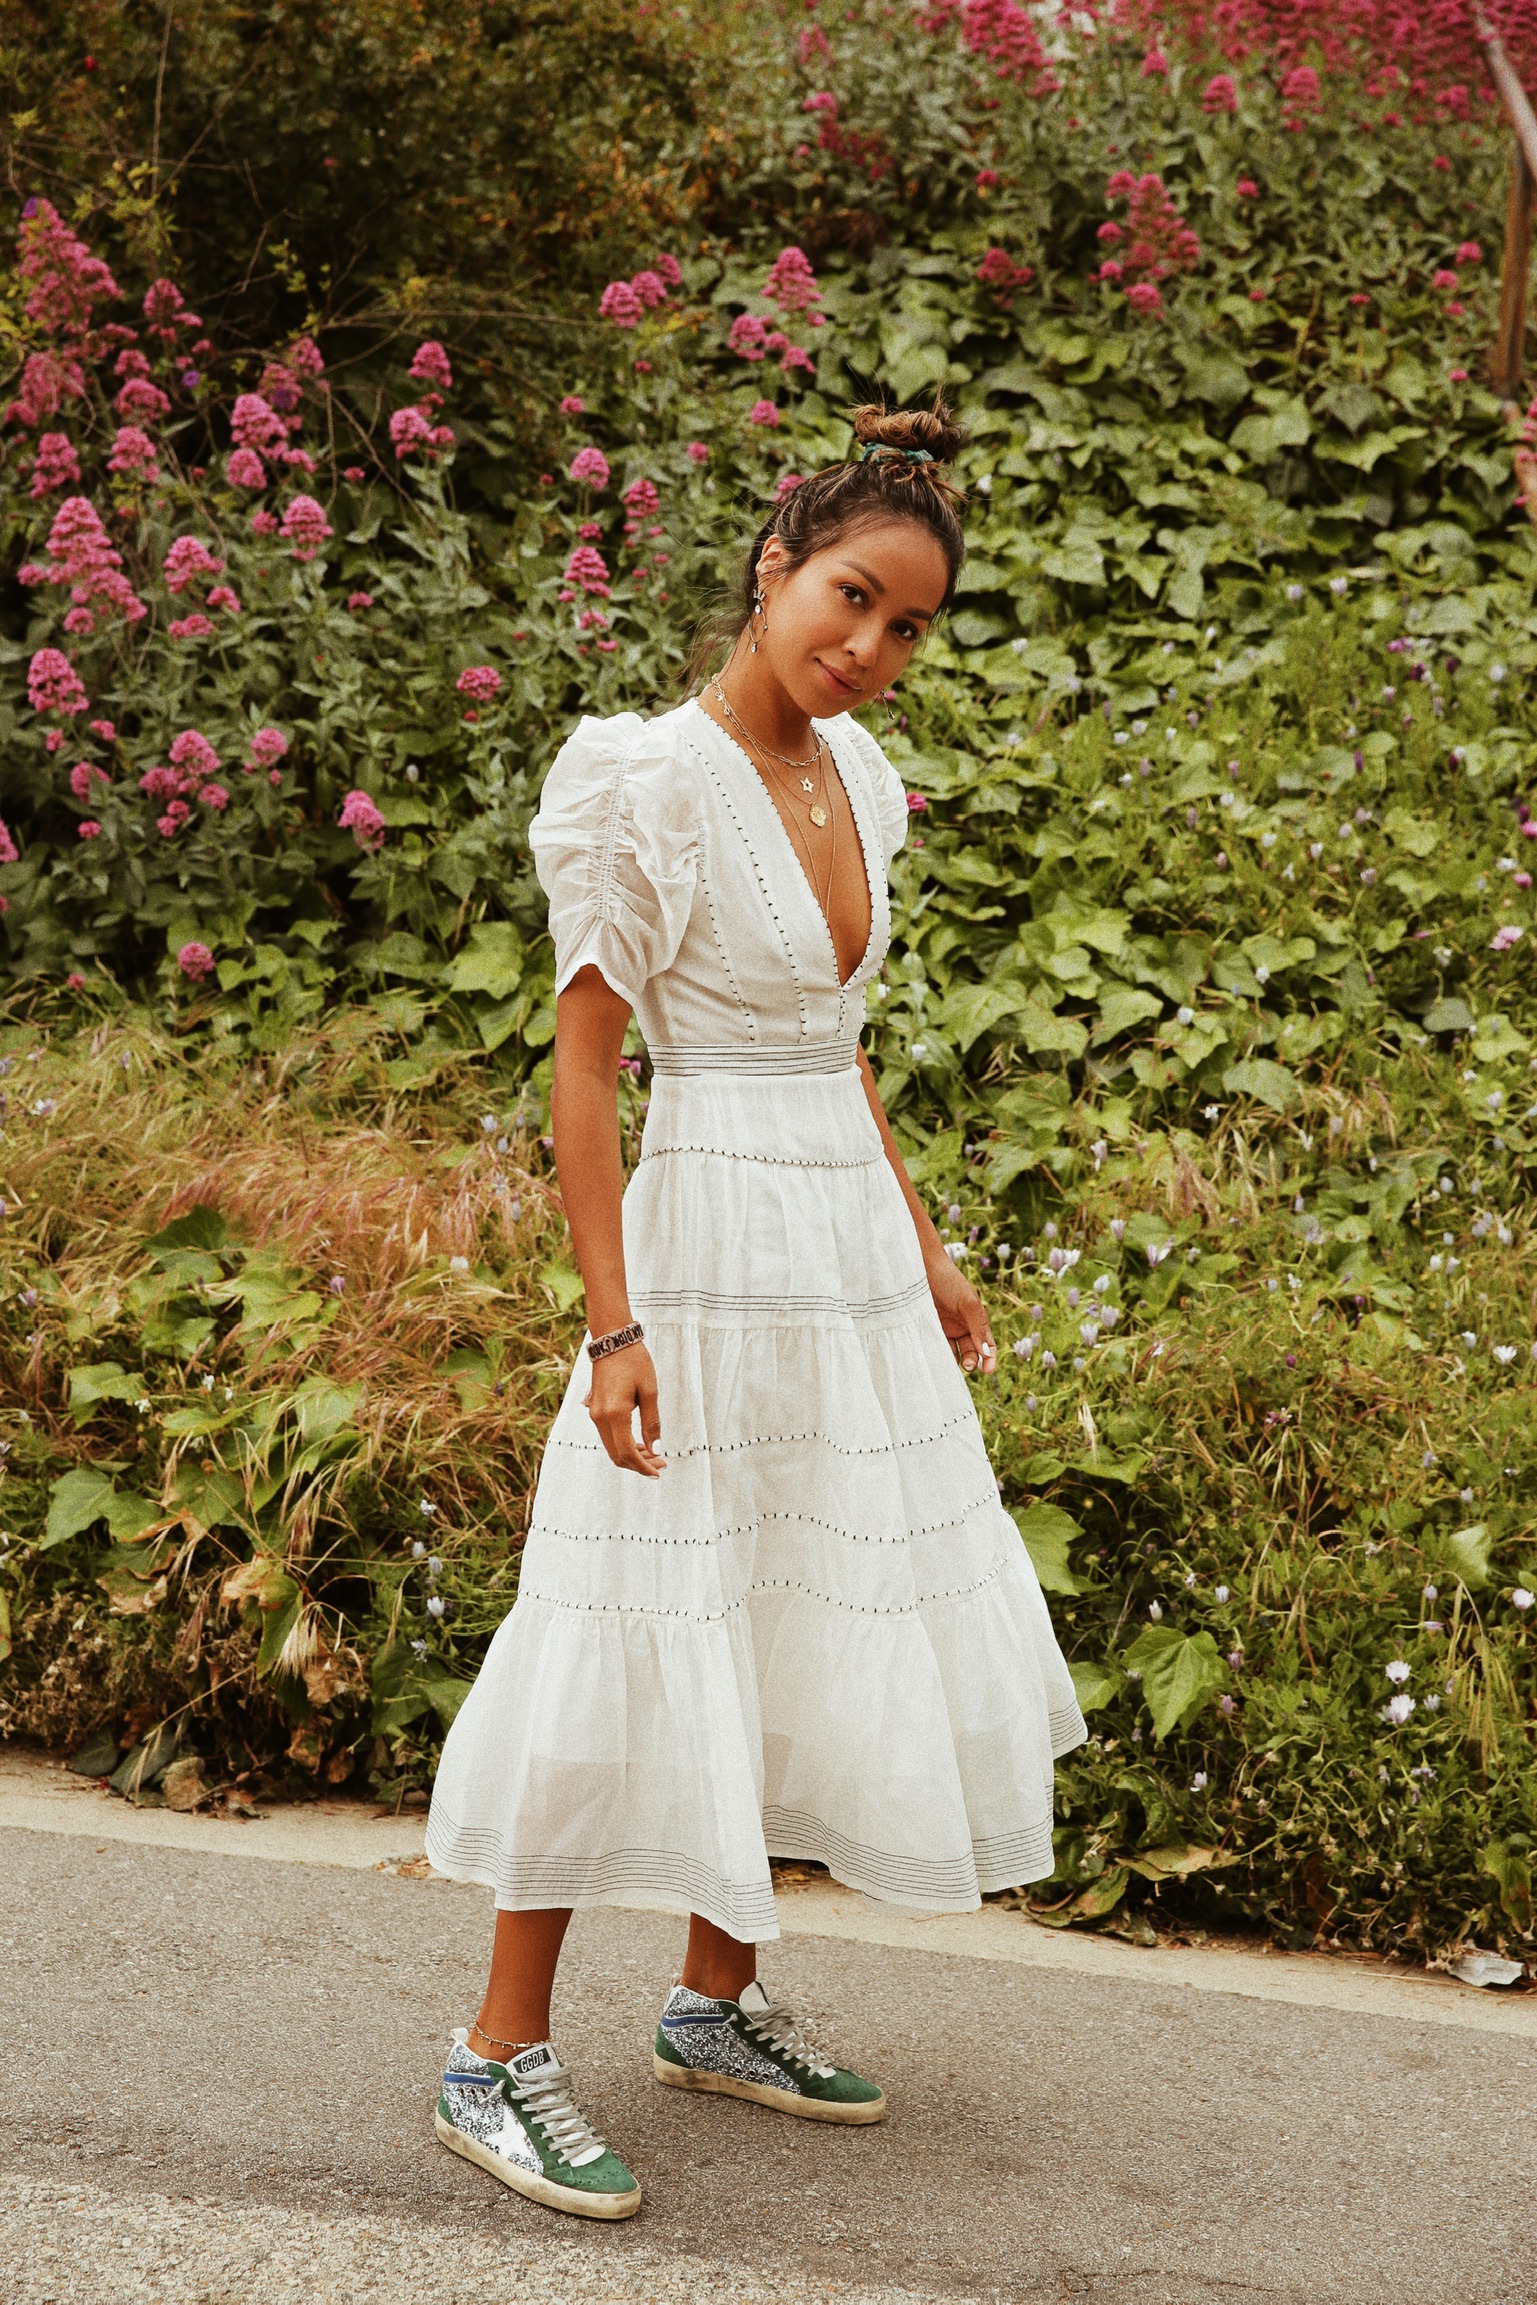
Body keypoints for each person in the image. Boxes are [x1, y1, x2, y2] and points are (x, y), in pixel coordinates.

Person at [423, 400, 1086, 2220]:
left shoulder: (864, 780)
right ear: (774, 561)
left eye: (907, 628)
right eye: (850, 600)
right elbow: (582, 1074)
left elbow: (840, 1049)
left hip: (842, 1255)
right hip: (702, 1238)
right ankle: (493, 2054)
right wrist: (610, 1324)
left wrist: (925, 1240)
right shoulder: (639, 777)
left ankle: (715, 2002)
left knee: (791, 1594)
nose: (867, 649)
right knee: (623, 1610)